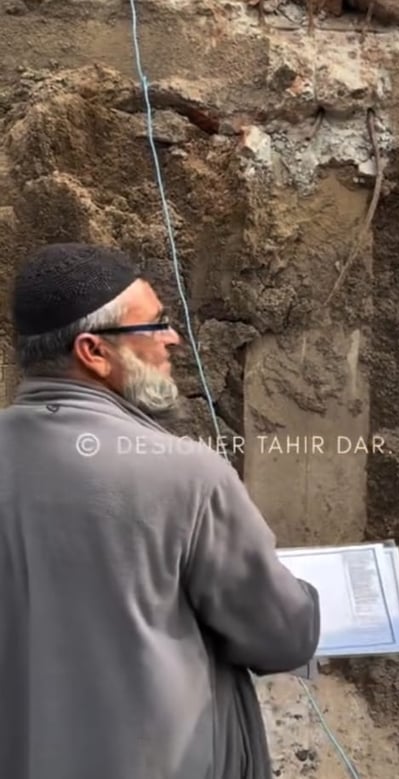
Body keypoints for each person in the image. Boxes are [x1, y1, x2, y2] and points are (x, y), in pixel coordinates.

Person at [0, 243, 321, 779]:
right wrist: (307, 599)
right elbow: (280, 636)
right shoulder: (185, 474)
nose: (173, 339)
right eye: (153, 325)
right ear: (93, 351)